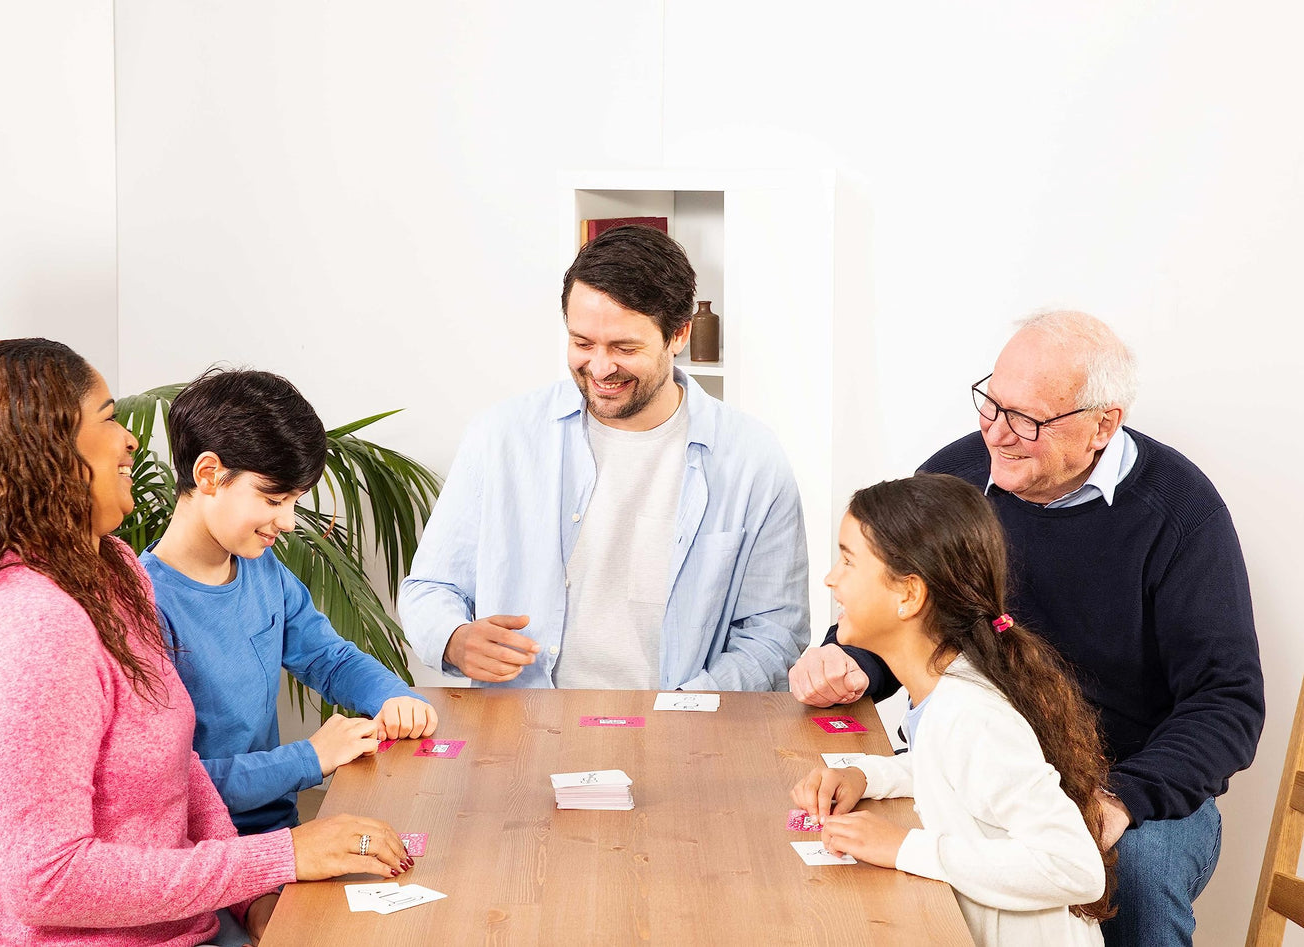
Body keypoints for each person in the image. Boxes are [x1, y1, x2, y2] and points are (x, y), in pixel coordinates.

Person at [0, 340, 412, 947]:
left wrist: (254, 893)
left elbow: (183, 774)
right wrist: (279, 858)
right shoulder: (31, 629)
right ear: (45, 452)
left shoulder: (110, 572)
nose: (131, 440)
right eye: (110, 418)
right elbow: (47, 880)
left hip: (182, 917)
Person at [788, 311, 1264, 946]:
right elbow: (908, 593)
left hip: (1132, 781)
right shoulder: (956, 476)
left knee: (1132, 873)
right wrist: (853, 662)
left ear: (1104, 423)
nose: (998, 433)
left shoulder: (1178, 512)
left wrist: (1119, 798)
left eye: (1030, 420)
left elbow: (1226, 701)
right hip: (999, 764)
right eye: (992, 403)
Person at [399, 225, 809, 690]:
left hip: (682, 739)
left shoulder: (752, 459)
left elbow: (775, 635)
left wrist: (683, 711)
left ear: (679, 335)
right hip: (526, 734)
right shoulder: (501, 438)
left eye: (624, 348)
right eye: (582, 343)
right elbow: (430, 588)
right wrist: (454, 638)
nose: (599, 368)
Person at [791, 474, 1112, 947]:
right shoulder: (945, 691)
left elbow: (1075, 868)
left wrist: (903, 846)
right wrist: (868, 776)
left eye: (848, 560)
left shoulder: (971, 715)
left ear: (909, 595)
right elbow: (957, 775)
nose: (831, 577)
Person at [142, 368, 438, 837]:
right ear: (209, 475)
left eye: (295, 500)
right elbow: (172, 786)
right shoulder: (143, 606)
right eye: (275, 499)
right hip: (202, 855)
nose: (290, 521)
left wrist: (394, 696)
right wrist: (312, 757)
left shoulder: (261, 568)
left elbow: (328, 657)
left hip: (281, 832)